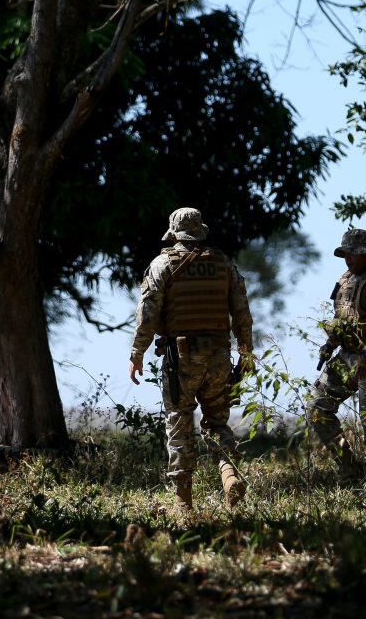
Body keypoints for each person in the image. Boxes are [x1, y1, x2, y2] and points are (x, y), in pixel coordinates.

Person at [129, 208, 255, 511]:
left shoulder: (163, 264)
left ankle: (184, 504)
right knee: (217, 423)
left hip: (181, 358)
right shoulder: (223, 264)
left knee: (179, 423)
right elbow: (242, 312)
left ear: (173, 233)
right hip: (220, 355)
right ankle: (228, 475)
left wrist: (137, 353)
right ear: (200, 231)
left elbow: (148, 314)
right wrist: (246, 352)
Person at [308, 228, 366, 481]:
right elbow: (343, 317)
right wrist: (330, 343)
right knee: (317, 407)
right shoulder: (346, 279)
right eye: (345, 254)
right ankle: (349, 466)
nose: (348, 259)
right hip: (346, 355)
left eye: (353, 254)